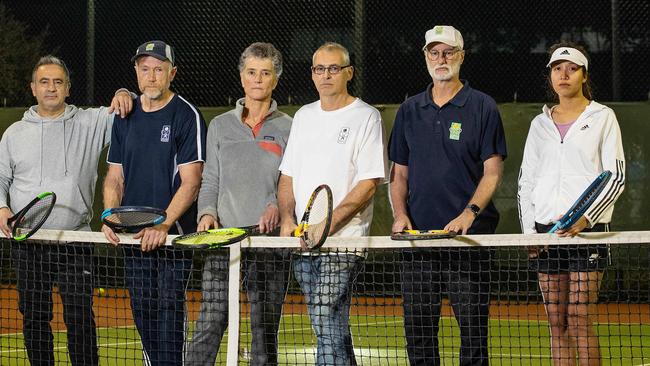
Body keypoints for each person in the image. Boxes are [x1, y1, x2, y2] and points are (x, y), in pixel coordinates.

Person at [0, 55, 132, 365]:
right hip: (28, 242)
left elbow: (129, 107)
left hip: (76, 240)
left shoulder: (89, 122)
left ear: (68, 88)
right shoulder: (14, 134)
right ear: (33, 88)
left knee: (80, 318)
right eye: (44, 82)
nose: (51, 88)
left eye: (58, 82)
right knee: (34, 317)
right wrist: (2, 207)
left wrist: (125, 91)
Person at [388, 25, 507, 366]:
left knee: (473, 339)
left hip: (469, 243)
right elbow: (399, 175)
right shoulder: (409, 110)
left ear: (462, 56)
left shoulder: (483, 107)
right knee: (419, 338)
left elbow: (493, 172)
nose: (441, 59)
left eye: (449, 52)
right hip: (419, 243)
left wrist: (469, 213)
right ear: (425, 56)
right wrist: (400, 214)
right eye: (434, 52)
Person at [278, 42, 387, 366]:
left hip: (344, 242)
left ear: (348, 73)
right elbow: (288, 176)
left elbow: (368, 184)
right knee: (327, 323)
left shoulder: (366, 116)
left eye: (334, 68)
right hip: (303, 240)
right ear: (312, 74)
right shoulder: (304, 116)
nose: (326, 75)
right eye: (319, 69)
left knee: (325, 312)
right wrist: (287, 217)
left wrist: (325, 227)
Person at [518, 42, 625, 365]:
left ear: (583, 75)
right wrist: (529, 234)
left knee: (579, 318)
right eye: (556, 68)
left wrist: (586, 218)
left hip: (585, 235)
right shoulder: (539, 125)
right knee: (556, 322)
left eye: (571, 68)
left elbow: (615, 177)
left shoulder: (603, 117)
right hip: (545, 236)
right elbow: (526, 181)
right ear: (550, 75)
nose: (563, 74)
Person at [184, 42, 292, 365]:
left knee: (264, 330)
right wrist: (206, 213)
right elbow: (210, 179)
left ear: (275, 79)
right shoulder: (219, 126)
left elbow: (291, 180)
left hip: (269, 242)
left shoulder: (290, 127)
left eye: (265, 73)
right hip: (224, 241)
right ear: (242, 78)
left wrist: (275, 204)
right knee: (211, 319)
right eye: (251, 72)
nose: (258, 79)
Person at [101, 40, 207, 365]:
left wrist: (162, 225)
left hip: (171, 238)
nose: (151, 76)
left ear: (172, 73)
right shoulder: (124, 115)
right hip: (134, 239)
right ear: (136, 72)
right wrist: (109, 216)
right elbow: (114, 178)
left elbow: (192, 182)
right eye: (145, 69)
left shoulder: (186, 115)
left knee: (169, 311)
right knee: (142, 311)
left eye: (159, 69)